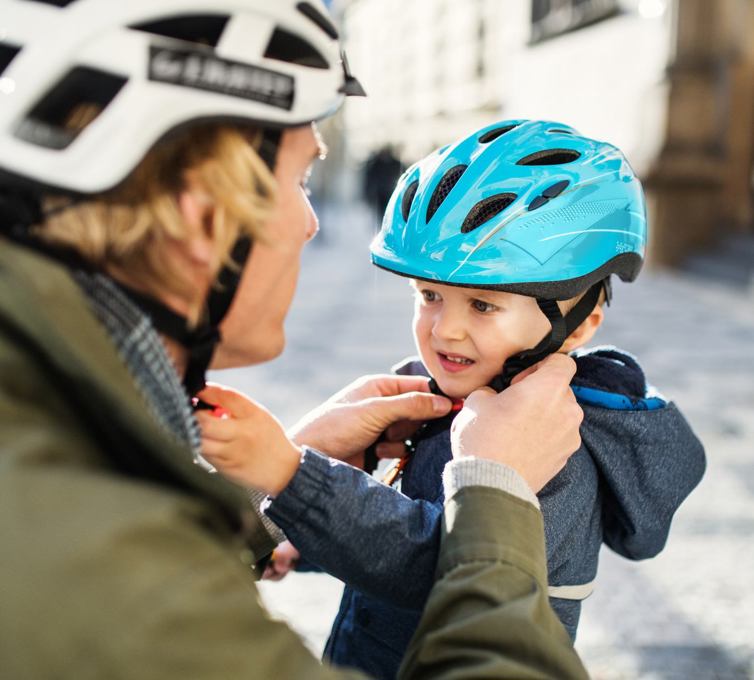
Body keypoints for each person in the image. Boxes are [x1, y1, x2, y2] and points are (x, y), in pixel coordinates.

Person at [0, 3, 589, 679]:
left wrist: (269, 491)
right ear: (206, 218)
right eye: (301, 179)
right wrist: (498, 490)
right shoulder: (86, 549)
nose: (311, 223)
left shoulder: (55, 437)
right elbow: (132, 599)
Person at [199, 120, 705, 680]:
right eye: (430, 295)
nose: (445, 331)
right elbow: (401, 515)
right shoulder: (457, 402)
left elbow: (435, 564)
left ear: (579, 323)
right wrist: (306, 543)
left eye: (483, 306)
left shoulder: (551, 445)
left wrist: (293, 475)